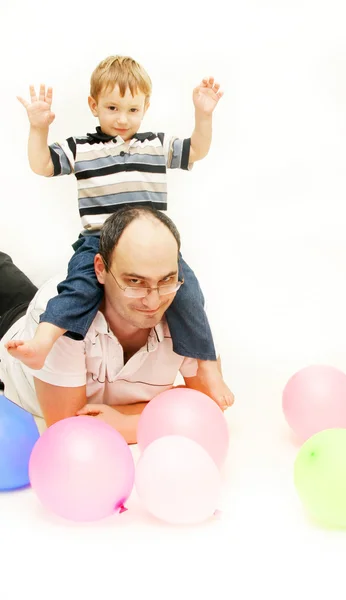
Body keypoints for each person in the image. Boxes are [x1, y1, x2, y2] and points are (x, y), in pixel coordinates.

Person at [5, 54, 232, 408]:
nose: (122, 119)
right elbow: (41, 165)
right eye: (112, 108)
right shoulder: (82, 147)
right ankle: (43, 341)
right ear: (94, 106)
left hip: (152, 246)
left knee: (190, 296)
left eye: (132, 110)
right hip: (98, 238)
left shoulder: (156, 145)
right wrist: (38, 128)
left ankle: (209, 368)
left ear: (146, 107)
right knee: (77, 289)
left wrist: (203, 116)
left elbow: (197, 149)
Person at [0, 207, 235, 442]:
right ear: (100, 269)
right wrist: (158, 417)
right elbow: (70, 429)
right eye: (135, 281)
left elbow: (206, 405)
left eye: (166, 279)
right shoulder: (59, 318)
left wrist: (127, 422)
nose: (153, 301)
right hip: (9, 329)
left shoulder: (184, 313)